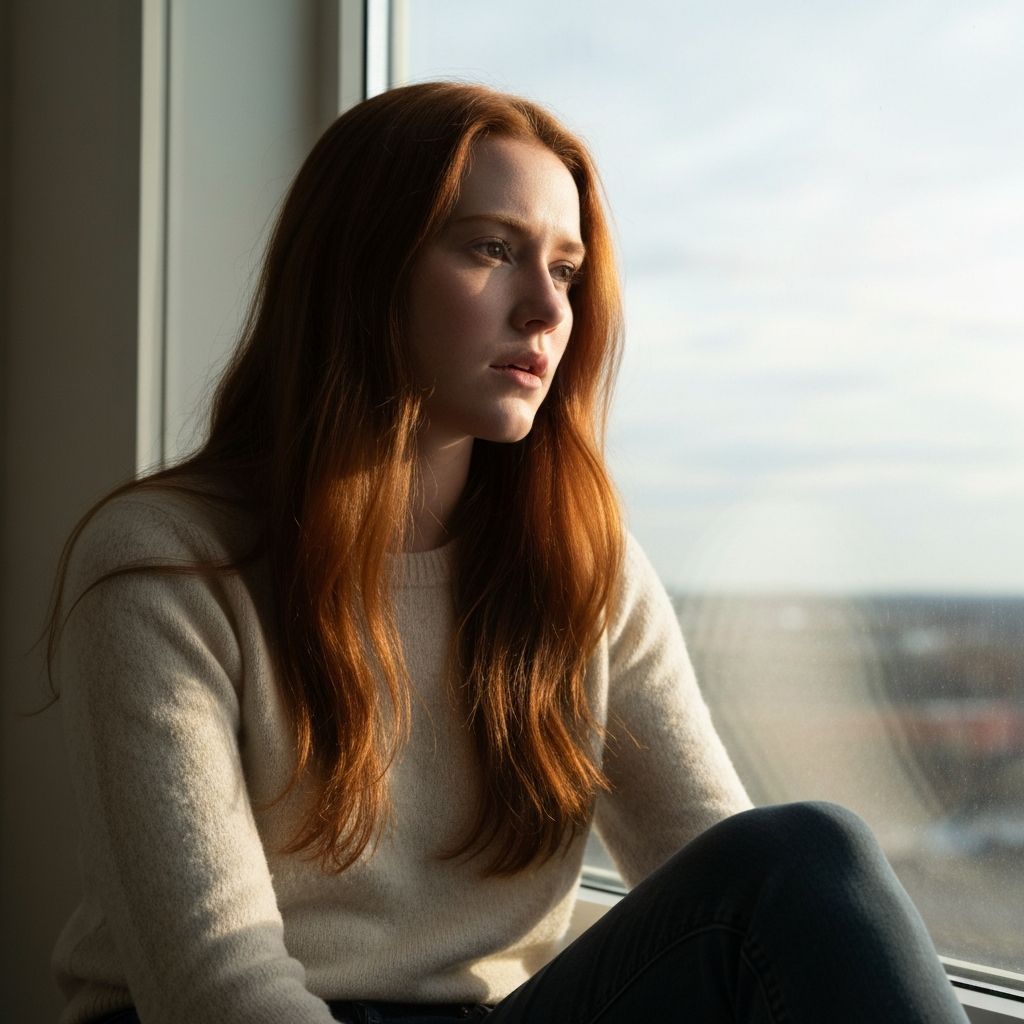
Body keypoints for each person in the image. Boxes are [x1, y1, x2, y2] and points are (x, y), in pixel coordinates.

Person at [47, 82, 968, 1024]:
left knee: (803, 860)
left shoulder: (582, 570)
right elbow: (214, 985)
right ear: (362, 268)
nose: (545, 309)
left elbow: (735, 902)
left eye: (566, 270)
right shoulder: (165, 566)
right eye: (492, 248)